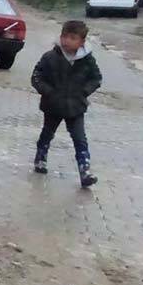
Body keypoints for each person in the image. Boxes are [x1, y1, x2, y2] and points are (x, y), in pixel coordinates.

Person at [31, 20, 102, 188]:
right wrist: (48, 92)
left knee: (79, 138)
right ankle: (41, 157)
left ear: (82, 41)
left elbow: (96, 78)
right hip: (53, 105)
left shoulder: (87, 60)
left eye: (72, 38)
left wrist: (84, 92)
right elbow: (36, 77)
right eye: (64, 36)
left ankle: (84, 170)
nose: (67, 41)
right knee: (48, 133)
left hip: (76, 106)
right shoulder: (51, 57)